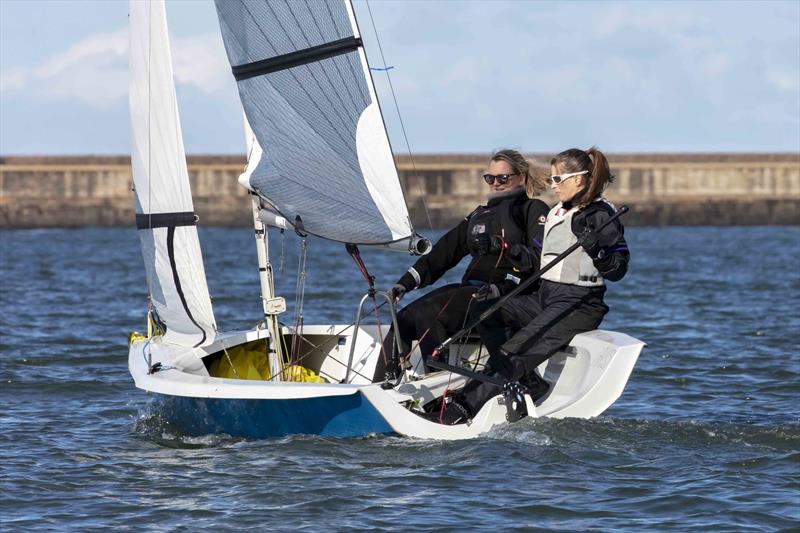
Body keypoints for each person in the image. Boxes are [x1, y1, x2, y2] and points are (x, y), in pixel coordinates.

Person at [437, 147, 630, 424]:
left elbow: (619, 268)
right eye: (551, 179)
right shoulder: (558, 212)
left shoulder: (598, 215)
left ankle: (465, 407)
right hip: (545, 296)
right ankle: (530, 383)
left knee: (514, 351)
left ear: (578, 180)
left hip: (578, 303)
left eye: (557, 180)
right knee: (486, 310)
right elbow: (537, 259)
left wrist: (597, 252)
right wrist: (502, 247)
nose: (552, 186)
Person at [372, 149, 550, 382]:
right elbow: (444, 252)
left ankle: (436, 389)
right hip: (470, 291)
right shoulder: (480, 214)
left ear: (522, 177)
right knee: (403, 319)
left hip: (503, 294)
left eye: (503, 178)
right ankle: (380, 386)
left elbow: (540, 260)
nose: (495, 184)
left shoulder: (533, 209)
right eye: (490, 178)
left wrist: (504, 247)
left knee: (430, 312)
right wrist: (404, 283)